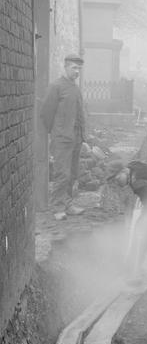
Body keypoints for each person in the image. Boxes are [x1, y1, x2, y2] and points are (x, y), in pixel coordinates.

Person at [40, 53, 86, 220]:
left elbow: (80, 114)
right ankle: (58, 207)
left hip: (76, 138)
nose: (77, 71)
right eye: (74, 68)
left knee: (73, 173)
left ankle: (68, 204)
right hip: (62, 139)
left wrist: (82, 135)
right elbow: (46, 113)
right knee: (62, 174)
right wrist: (57, 132)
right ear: (65, 67)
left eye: (79, 68)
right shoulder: (56, 86)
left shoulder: (75, 88)